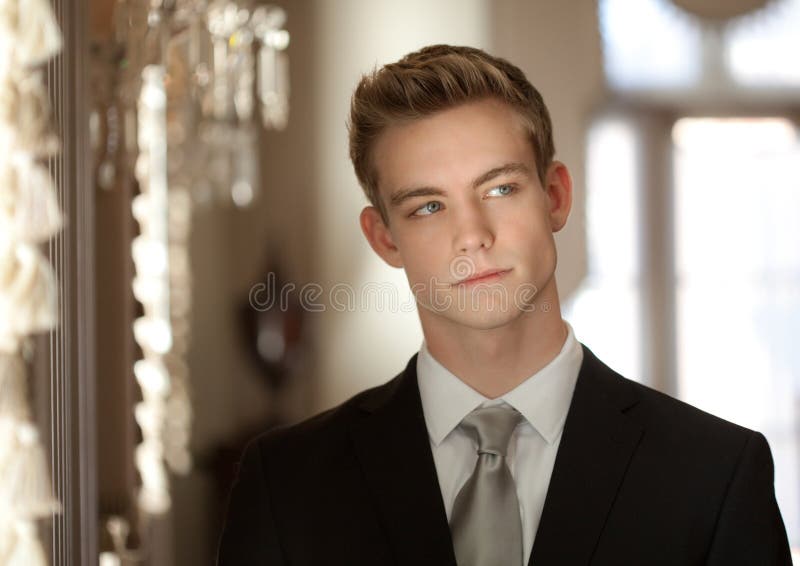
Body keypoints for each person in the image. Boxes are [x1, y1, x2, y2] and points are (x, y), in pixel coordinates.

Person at [217, 45, 792, 565]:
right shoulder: (285, 483)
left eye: (499, 189)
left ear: (556, 197)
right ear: (384, 237)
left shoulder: (714, 475)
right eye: (427, 207)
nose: (472, 235)